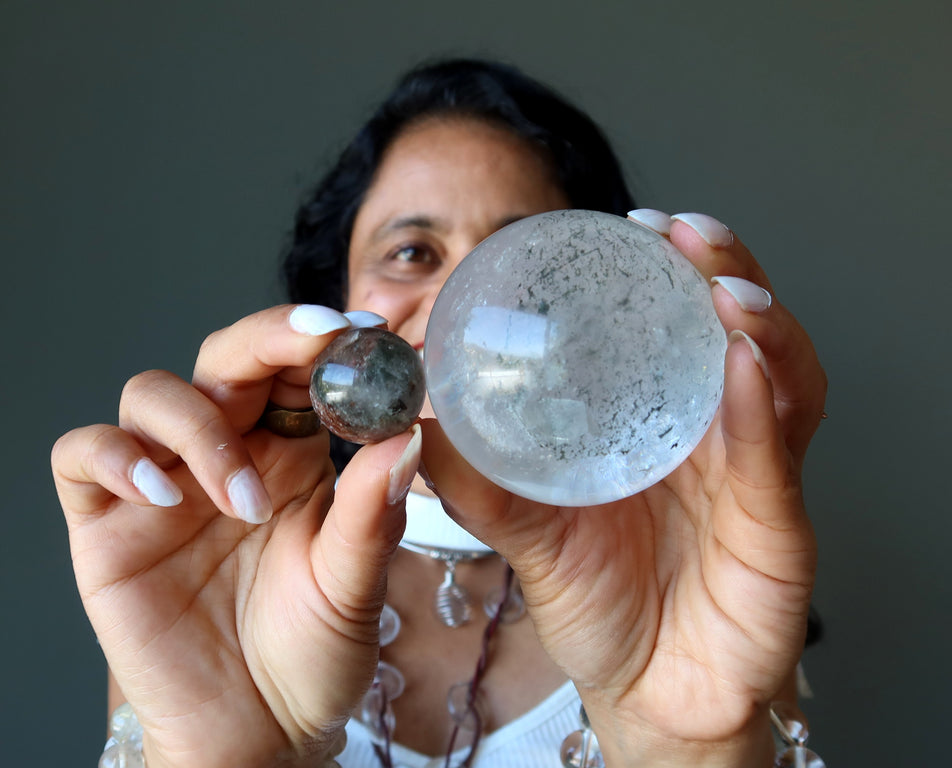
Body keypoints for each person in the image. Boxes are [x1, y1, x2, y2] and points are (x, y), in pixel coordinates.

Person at [52, 58, 828, 768]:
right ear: (337, 305)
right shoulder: (217, 576)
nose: (464, 299)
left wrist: (685, 747)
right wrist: (226, 750)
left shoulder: (679, 583)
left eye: (522, 251)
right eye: (412, 252)